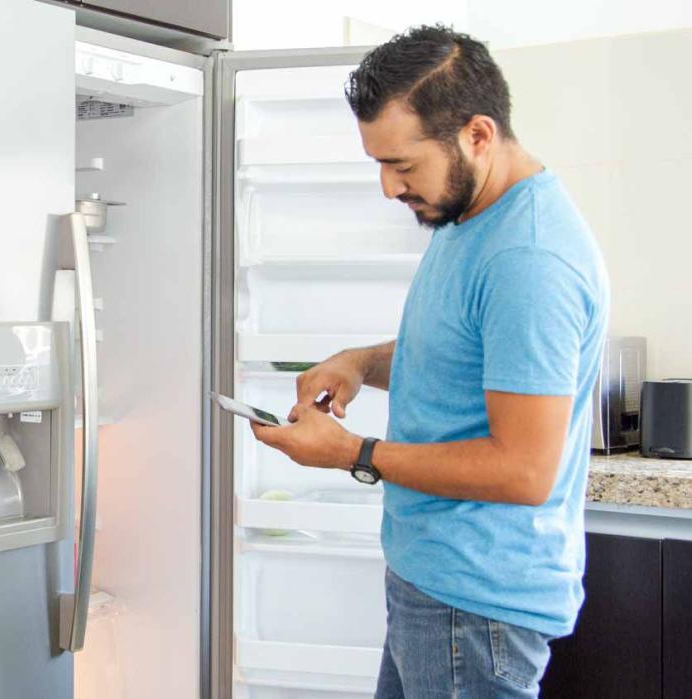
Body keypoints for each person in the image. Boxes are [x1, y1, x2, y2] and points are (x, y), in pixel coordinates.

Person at [247, 25, 608, 698]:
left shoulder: (528, 258)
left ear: (477, 135)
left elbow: (524, 469)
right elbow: (460, 351)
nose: (389, 188)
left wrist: (354, 451)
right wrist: (359, 362)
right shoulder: (470, 213)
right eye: (380, 164)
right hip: (437, 588)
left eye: (404, 166)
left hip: (475, 607)